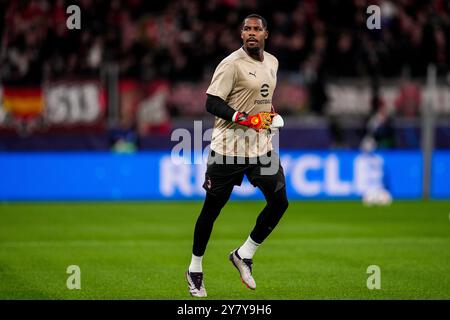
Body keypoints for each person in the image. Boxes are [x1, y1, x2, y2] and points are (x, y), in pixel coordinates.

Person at [186, 14, 289, 297]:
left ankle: (244, 254)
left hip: (260, 147)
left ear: (266, 34)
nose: (252, 33)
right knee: (212, 209)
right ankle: (195, 269)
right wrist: (242, 118)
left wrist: (269, 115)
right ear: (241, 34)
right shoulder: (231, 64)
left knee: (280, 202)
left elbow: (262, 100)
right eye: (247, 29)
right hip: (228, 149)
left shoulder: (273, 62)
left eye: (257, 29)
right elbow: (211, 101)